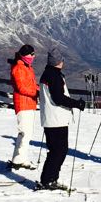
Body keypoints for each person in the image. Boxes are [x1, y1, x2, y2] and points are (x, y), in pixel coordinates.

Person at [37, 49, 85, 191]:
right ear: (58, 61)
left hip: (51, 118)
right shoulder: (54, 76)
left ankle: (50, 179)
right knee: (59, 151)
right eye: (62, 60)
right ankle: (48, 180)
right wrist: (77, 103)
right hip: (56, 118)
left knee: (56, 150)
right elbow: (58, 98)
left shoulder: (47, 74)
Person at [7, 43, 39, 170]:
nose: (33, 56)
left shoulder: (27, 67)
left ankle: (20, 158)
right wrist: (36, 92)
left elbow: (30, 84)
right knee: (25, 133)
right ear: (25, 55)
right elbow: (22, 87)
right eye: (31, 54)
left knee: (27, 133)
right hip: (23, 103)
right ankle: (19, 160)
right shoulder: (19, 68)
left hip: (29, 103)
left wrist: (38, 89)